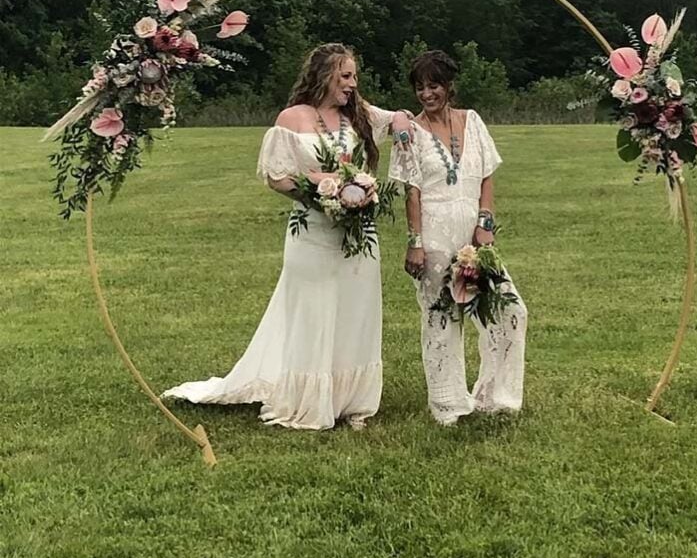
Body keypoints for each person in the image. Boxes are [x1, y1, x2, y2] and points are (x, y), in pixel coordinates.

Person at [163, 43, 412, 430]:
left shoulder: (359, 115)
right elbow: (277, 177)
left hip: (358, 234)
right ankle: (309, 399)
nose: (352, 84)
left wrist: (397, 124)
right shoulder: (291, 118)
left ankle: (351, 401)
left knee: (355, 311)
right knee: (312, 311)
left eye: (355, 77)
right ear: (324, 75)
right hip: (312, 232)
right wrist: (320, 189)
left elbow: (397, 117)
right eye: (345, 76)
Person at [389, 50, 527, 425]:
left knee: (510, 308)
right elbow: (412, 191)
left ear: (449, 86)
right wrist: (415, 242)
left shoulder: (473, 122)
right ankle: (449, 404)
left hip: (473, 233)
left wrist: (486, 222)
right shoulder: (410, 133)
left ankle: (497, 396)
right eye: (419, 87)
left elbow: (485, 175)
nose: (426, 94)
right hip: (434, 232)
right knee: (441, 317)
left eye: (433, 85)